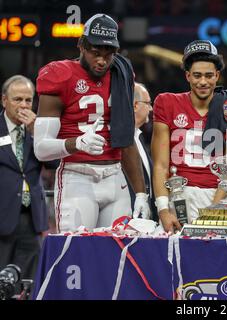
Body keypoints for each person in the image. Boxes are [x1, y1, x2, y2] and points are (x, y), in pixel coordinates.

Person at [33, 13, 150, 232]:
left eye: (109, 54)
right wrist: (76, 143)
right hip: (77, 176)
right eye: (96, 53)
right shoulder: (60, 74)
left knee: (117, 256)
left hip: (116, 177)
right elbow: (41, 149)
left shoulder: (121, 73)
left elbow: (126, 137)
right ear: (81, 46)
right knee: (77, 254)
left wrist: (141, 193)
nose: (102, 60)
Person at [152, 40, 227, 233]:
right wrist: (163, 210)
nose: (203, 82)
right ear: (187, 75)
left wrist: (213, 211)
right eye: (197, 75)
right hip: (178, 196)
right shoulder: (166, 102)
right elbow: (161, 164)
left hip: (217, 195)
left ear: (217, 76)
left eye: (208, 75)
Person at [0, 75, 58, 281]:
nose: (24, 105)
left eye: (28, 100)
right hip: (2, 216)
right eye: (18, 99)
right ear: (4, 100)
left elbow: (54, 164)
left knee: (29, 281)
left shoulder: (39, 130)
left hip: (32, 217)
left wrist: (38, 134)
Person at [130, 82, 158, 221]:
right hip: (127, 220)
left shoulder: (139, 138)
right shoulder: (121, 141)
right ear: (135, 105)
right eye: (148, 103)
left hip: (144, 220)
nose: (151, 108)